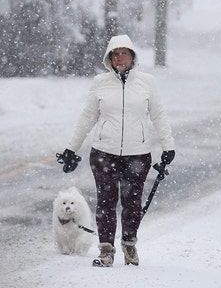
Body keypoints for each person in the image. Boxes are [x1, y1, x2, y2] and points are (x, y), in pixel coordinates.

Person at [56, 34, 175, 267]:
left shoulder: (147, 82)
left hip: (137, 153)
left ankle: (129, 244)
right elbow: (88, 116)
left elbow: (159, 114)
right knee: (106, 201)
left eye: (124, 53)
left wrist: (168, 146)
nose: (119, 58)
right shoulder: (100, 83)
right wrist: (72, 148)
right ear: (109, 58)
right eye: (115, 54)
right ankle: (106, 250)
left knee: (132, 202)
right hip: (104, 152)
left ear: (132, 57)